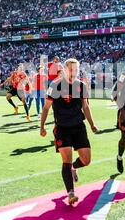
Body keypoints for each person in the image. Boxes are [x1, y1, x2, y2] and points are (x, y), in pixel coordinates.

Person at [40, 58, 98, 205]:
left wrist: (92, 124)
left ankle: (74, 167)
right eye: (71, 69)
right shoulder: (55, 85)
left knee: (86, 160)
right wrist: (42, 127)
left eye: (76, 69)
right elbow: (46, 107)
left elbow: (86, 106)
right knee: (65, 160)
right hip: (62, 128)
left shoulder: (82, 86)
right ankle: (70, 193)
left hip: (79, 127)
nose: (74, 72)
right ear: (65, 70)